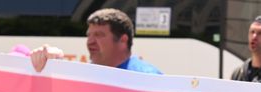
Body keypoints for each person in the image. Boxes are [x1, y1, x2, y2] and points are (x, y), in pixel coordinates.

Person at [29, 8, 162, 74]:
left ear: (123, 40)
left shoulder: (148, 77)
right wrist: (50, 65)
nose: (90, 41)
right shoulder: (86, 73)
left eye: (99, 35)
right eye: (89, 35)